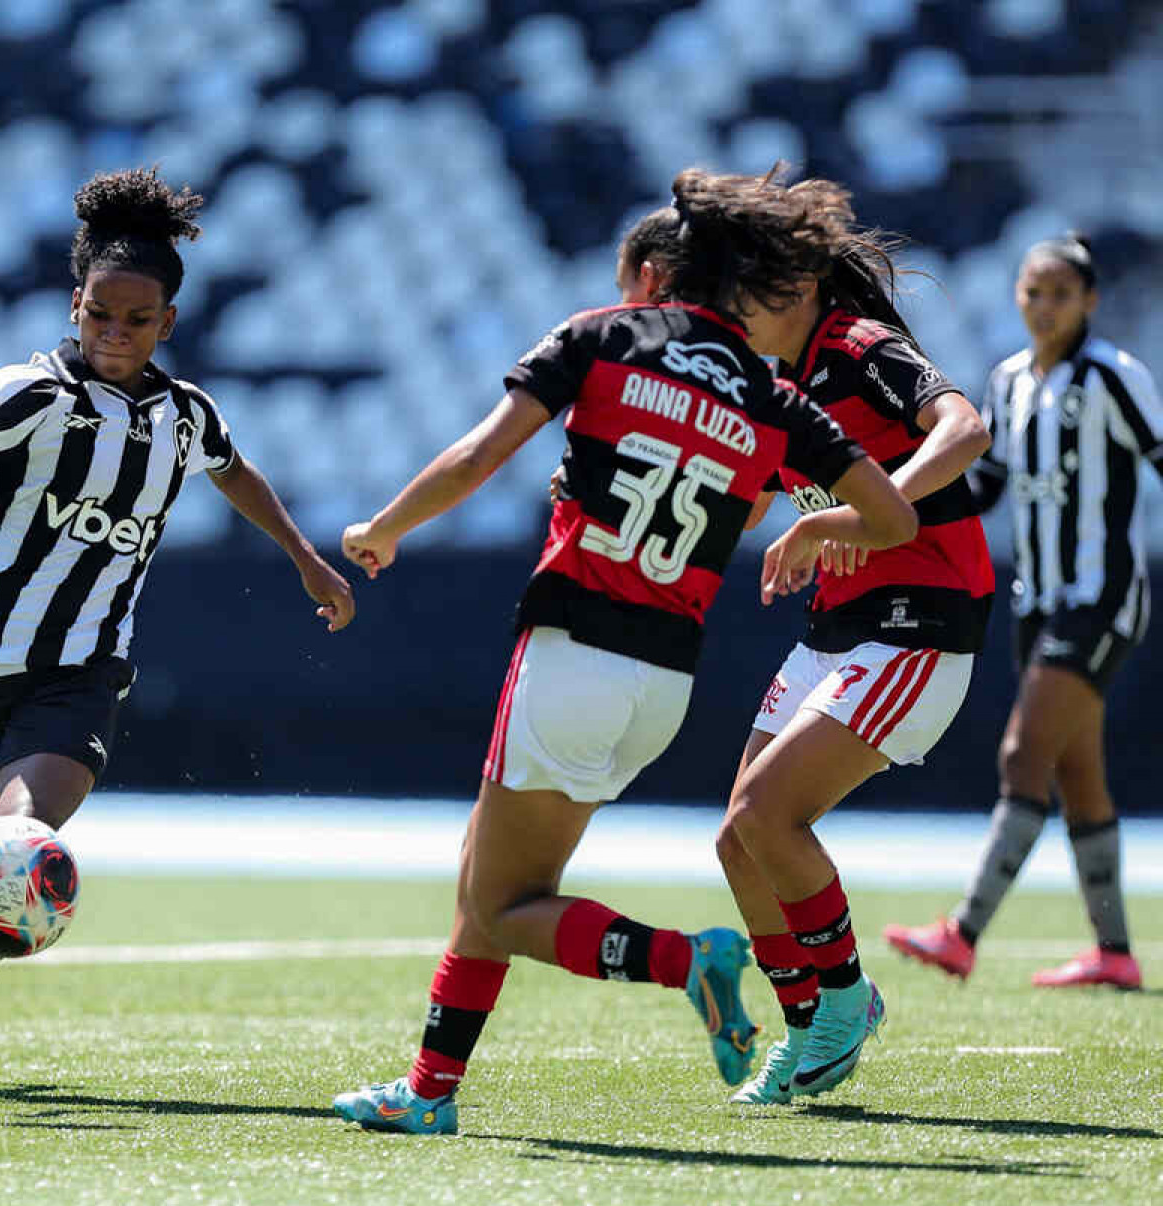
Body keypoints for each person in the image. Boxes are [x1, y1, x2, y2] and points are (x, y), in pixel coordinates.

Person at [332, 167, 918, 1137]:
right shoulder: (775, 395)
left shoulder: (604, 337)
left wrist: (382, 528)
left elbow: (481, 456)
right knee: (491, 872)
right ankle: (429, 1088)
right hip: (663, 679)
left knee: (499, 899)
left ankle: (688, 962)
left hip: (571, 651)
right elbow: (892, 516)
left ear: (654, 276)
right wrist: (815, 528)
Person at [0, 168, 356, 1094]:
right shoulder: (28, 393)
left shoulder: (186, 416)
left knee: (22, 832)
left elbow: (236, 470)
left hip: (82, 669)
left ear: (168, 323)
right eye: (100, 315)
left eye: (137, 320)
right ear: (75, 305)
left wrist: (305, 557)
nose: (115, 334)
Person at [634, 176, 995, 1104]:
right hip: (839, 628)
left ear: (790, 291)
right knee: (736, 841)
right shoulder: (770, 377)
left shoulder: (859, 345)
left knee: (767, 815)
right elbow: (748, 494)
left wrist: (841, 515)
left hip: (920, 618)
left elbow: (965, 427)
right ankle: (813, 1021)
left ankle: (841, 1001)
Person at [885, 234, 1157, 991]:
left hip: (1100, 598)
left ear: (1090, 301)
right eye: (1032, 292)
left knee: (1020, 755)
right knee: (1079, 771)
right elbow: (990, 484)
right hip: (1036, 601)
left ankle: (962, 932)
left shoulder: (1114, 376)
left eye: (1060, 294)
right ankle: (1116, 951)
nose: (1043, 307)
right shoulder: (1005, 381)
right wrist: (905, 500)